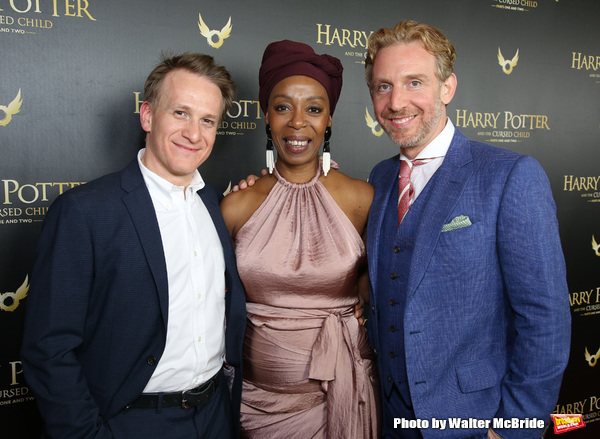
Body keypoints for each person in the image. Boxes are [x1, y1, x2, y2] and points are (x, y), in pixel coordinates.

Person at [20, 53, 246, 439]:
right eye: (180, 113)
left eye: (207, 120)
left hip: (215, 417)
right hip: (129, 422)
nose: (194, 133)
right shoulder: (84, 212)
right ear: (147, 116)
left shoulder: (215, 205)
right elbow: (48, 348)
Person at [364, 21, 571, 438]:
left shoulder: (510, 176)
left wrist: (512, 430)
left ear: (447, 88)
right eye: (382, 86)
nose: (396, 101)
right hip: (387, 419)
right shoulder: (379, 179)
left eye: (414, 82)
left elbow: (545, 320)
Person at [219, 40, 379, 438]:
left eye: (313, 108)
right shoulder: (236, 206)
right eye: (282, 106)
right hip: (258, 409)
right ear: (266, 116)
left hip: (346, 395)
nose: (296, 122)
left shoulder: (363, 199)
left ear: (329, 120)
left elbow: (386, 293)